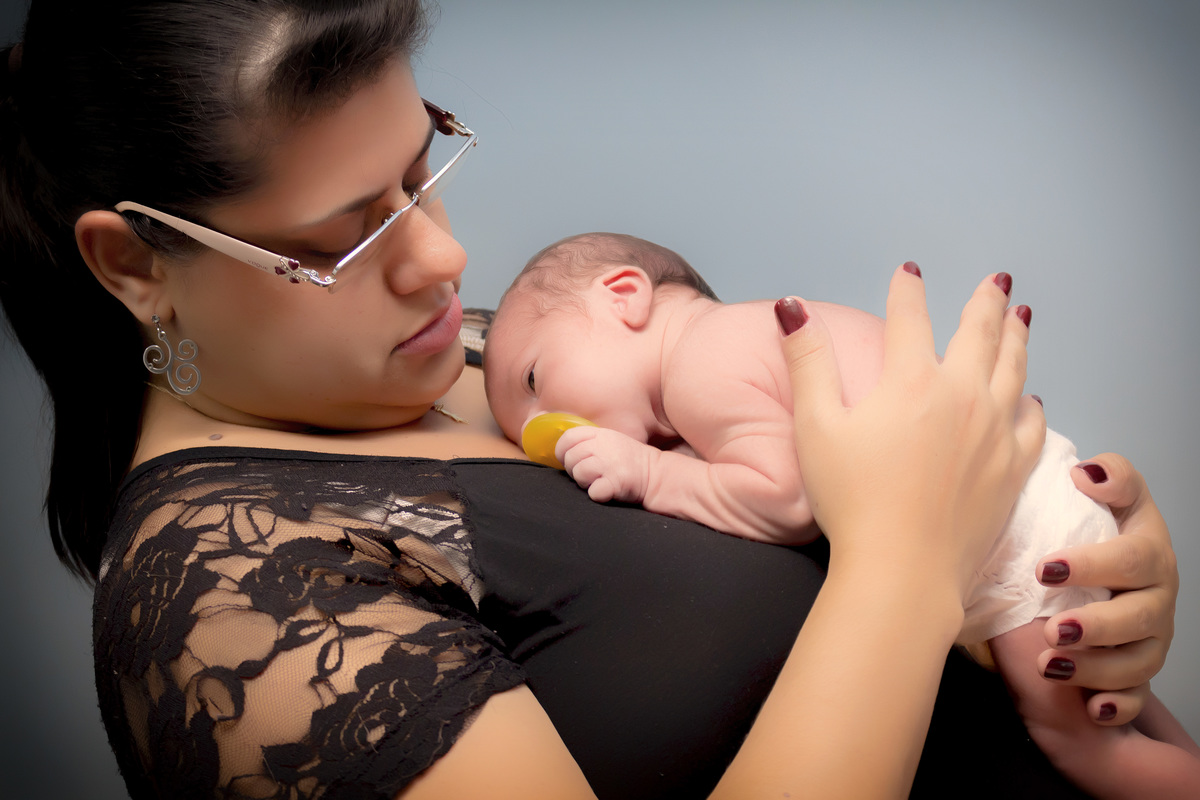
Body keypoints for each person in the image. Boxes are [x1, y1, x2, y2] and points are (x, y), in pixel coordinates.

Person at [0, 2, 1183, 798]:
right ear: (136, 265)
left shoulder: (471, 361)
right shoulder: (222, 610)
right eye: (345, 238)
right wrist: (913, 567)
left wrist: (1057, 576)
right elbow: (875, 573)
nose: (444, 261)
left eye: (424, 169)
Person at [483, 231, 1200, 797]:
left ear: (624, 296)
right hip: (1032, 499)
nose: (548, 426)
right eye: (527, 430)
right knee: (1128, 711)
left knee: (1090, 748)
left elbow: (788, 499)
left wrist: (649, 471)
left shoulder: (699, 366)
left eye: (536, 381)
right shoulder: (737, 339)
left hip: (1016, 540)